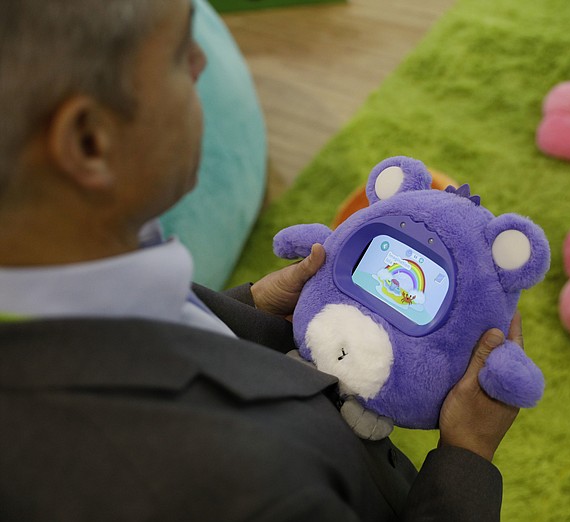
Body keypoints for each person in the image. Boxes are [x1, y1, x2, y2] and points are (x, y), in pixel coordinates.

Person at [0, 1, 524, 520]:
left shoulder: (81, 261)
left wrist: (250, 307)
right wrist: (466, 458)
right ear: (89, 141)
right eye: (181, 51)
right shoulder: (255, 482)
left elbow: (168, 333)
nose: (204, 62)